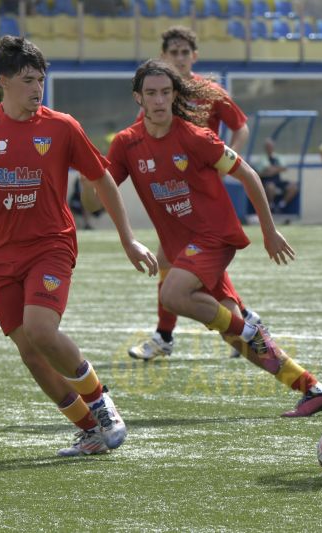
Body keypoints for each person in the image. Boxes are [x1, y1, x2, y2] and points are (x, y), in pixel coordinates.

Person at [0, 36, 158, 457]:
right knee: (30, 351)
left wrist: (128, 238)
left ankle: (101, 403)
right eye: (27, 80)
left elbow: (101, 178)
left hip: (50, 245)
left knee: (41, 330)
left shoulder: (62, 126)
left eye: (40, 79)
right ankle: (89, 430)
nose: (37, 88)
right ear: (3, 81)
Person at [106, 59, 322, 417]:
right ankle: (312, 388)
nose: (159, 100)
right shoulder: (126, 143)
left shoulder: (196, 136)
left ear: (175, 95)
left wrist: (269, 231)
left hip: (214, 236)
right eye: (151, 93)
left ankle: (246, 328)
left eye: (165, 92)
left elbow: (249, 175)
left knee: (173, 294)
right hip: (185, 249)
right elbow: (101, 190)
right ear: (139, 98)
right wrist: (88, 178)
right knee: (233, 333)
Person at [127, 25, 255, 361]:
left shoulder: (208, 91)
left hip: (200, 191)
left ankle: (165, 336)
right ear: (164, 56)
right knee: (187, 261)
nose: (180, 58)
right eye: (174, 52)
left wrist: (225, 166)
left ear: (194, 56)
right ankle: (244, 320)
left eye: (185, 52)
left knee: (173, 259)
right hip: (173, 192)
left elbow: (241, 127)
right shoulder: (158, 94)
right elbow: (141, 134)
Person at [258, 138, 298, 214]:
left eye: (271, 146)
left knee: (293, 187)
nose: (270, 148)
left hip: (278, 181)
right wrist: (277, 169)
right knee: (271, 187)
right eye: (268, 146)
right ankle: (271, 206)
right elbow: (264, 171)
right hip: (266, 181)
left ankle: (281, 205)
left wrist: (272, 170)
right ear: (265, 148)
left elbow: (284, 168)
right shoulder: (262, 158)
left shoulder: (278, 157)